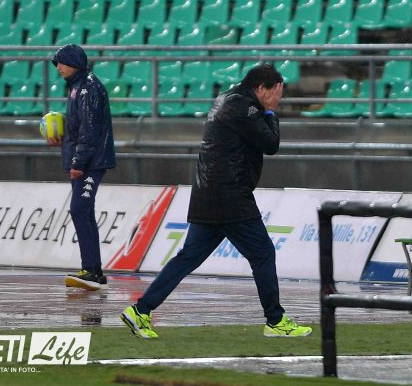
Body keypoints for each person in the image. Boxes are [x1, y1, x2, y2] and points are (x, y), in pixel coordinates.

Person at [120, 63, 312, 339]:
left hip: (207, 193)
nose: (277, 99)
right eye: (276, 94)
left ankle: (140, 310)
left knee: (188, 257)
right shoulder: (247, 108)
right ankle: (276, 320)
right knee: (262, 253)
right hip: (230, 195)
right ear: (262, 88)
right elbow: (271, 144)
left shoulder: (227, 99)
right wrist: (270, 111)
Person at [49, 44, 116, 291]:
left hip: (90, 161)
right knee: (83, 212)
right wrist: (62, 134)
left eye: (62, 62)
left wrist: (78, 162)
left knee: (79, 210)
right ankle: (93, 270)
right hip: (87, 159)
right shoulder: (78, 86)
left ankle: (92, 270)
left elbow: (90, 128)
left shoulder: (88, 87)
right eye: (56, 63)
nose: (58, 67)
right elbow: (82, 126)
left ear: (75, 62)